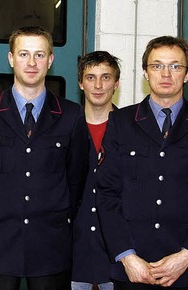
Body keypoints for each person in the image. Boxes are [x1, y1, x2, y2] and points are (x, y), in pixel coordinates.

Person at [95, 36, 188, 290]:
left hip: (185, 270)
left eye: (175, 66)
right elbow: (106, 195)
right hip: (131, 269)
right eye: (157, 66)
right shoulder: (121, 122)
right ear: (146, 73)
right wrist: (126, 256)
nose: (166, 73)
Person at [0, 25, 89, 290]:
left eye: (39, 55)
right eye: (23, 54)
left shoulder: (71, 115)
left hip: (50, 246)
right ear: (11, 59)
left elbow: (76, 180)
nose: (31, 63)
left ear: (51, 60)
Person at [71, 51, 121, 290]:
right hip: (72, 250)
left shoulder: (133, 130)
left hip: (117, 252)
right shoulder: (63, 128)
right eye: (91, 78)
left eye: (106, 77)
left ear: (116, 83)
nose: (98, 85)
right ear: (81, 83)